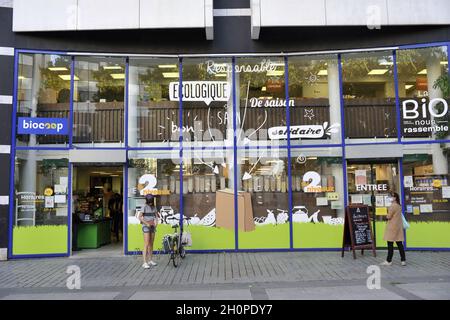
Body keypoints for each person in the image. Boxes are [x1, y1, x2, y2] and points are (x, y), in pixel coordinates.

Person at [380, 192, 406, 266]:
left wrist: (386, 215)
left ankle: (389, 260)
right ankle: (403, 260)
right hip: (398, 227)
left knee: (390, 244)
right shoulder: (399, 206)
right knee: (399, 244)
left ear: (395, 198)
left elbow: (389, 216)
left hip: (391, 227)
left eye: (391, 197)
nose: (390, 198)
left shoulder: (392, 206)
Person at [139, 194, 160, 269]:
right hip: (146, 227)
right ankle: (144, 262)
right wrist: (146, 223)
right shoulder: (144, 206)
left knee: (151, 244)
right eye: (149, 202)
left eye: (151, 202)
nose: (150, 203)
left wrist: (156, 222)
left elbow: (156, 215)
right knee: (146, 244)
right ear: (147, 201)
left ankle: (150, 260)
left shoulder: (154, 207)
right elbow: (139, 217)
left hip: (153, 226)